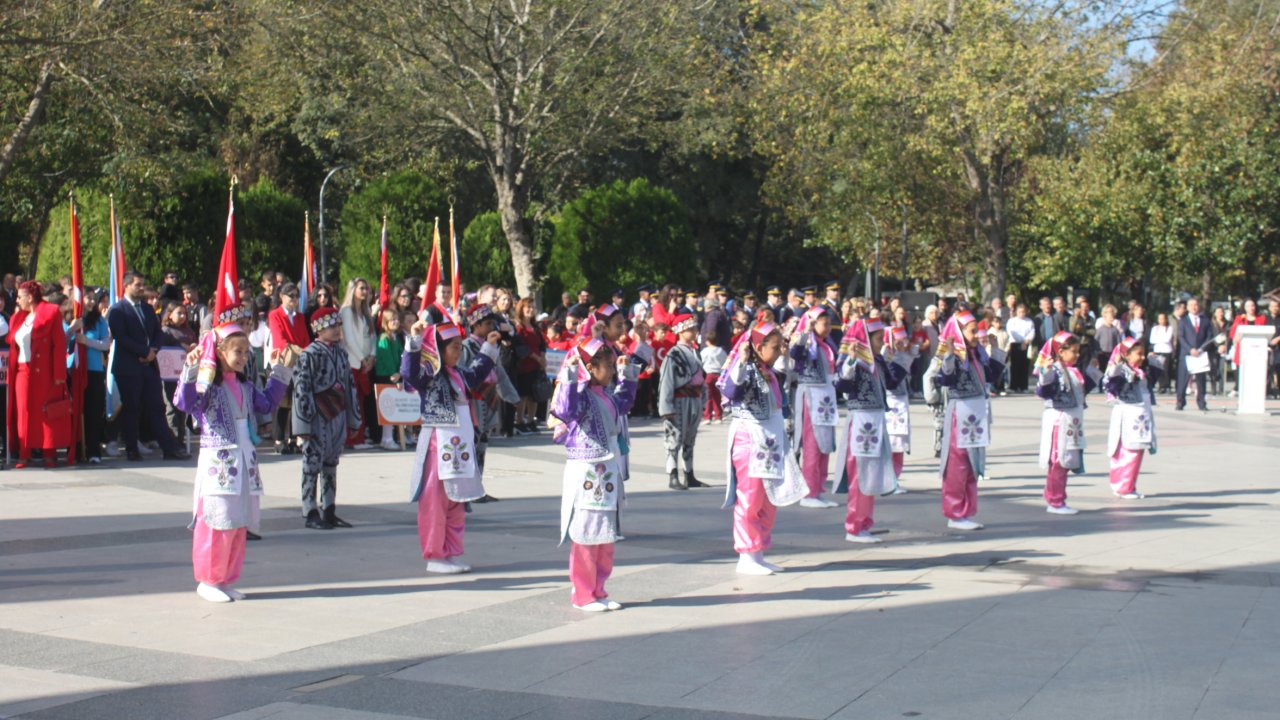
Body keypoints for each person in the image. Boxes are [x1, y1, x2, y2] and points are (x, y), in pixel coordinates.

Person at [175, 323, 290, 602]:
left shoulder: (246, 386)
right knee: (216, 523)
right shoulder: (207, 387)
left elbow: (266, 405)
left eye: (246, 352)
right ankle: (207, 580)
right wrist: (190, 371)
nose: (243, 357)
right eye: (237, 351)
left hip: (244, 461)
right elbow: (184, 402)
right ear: (220, 351)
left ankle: (226, 578)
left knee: (238, 524)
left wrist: (279, 372)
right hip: (219, 463)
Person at [402, 320, 500, 574]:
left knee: (457, 501)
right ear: (439, 349)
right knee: (434, 501)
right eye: (454, 347)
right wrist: (414, 341)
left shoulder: (459, 374)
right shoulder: (429, 375)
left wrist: (489, 347)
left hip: (460, 448)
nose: (458, 352)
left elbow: (478, 372)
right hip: (438, 445)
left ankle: (452, 552)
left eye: (459, 347)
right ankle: (435, 555)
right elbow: (409, 373)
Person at [551, 334, 637, 611]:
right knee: (586, 533)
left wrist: (628, 374)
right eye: (608, 366)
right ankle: (583, 594)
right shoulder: (581, 396)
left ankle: (599, 589)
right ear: (591, 367)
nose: (611, 370)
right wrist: (571, 374)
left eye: (612, 366)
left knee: (605, 533)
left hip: (607, 470)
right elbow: (565, 409)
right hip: (587, 471)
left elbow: (625, 402)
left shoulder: (606, 395)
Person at [718, 319, 805, 574]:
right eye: (775, 347)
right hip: (749, 441)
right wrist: (743, 361)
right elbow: (731, 389)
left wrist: (787, 354)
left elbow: (786, 379)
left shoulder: (768, 372)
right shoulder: (744, 369)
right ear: (758, 347)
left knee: (768, 500)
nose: (779, 350)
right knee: (750, 498)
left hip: (770, 442)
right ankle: (746, 556)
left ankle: (759, 552)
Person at [926, 309, 1005, 531]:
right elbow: (945, 379)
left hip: (976, 413)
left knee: (972, 464)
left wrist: (995, 349)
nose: (977, 335)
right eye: (972, 331)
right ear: (959, 333)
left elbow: (992, 376)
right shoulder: (951, 357)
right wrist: (950, 354)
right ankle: (954, 512)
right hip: (959, 413)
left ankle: (967, 511)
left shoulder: (976, 354)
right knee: (957, 465)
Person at [835, 319, 906, 543]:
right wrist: (851, 360)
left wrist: (899, 356)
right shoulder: (854, 362)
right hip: (861, 421)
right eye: (877, 339)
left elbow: (894, 381)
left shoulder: (877, 361)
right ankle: (854, 526)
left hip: (876, 420)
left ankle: (864, 522)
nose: (880, 342)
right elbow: (842, 385)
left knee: (871, 474)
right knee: (859, 476)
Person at [107, 273, 188, 463]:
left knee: (156, 406)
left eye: (143, 284)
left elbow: (157, 333)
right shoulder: (118, 310)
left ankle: (169, 448)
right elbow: (121, 337)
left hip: (149, 365)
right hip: (128, 368)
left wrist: (153, 351)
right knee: (132, 408)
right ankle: (132, 448)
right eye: (137, 285)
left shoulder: (147, 308)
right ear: (126, 286)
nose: (141, 288)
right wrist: (143, 352)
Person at [292, 307, 362, 530]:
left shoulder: (341, 354)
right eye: (331, 327)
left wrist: (353, 419)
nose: (336, 330)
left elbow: (350, 386)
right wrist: (303, 423)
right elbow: (301, 388)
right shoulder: (309, 355)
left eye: (338, 326)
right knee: (312, 463)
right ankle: (310, 510)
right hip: (316, 417)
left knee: (331, 462)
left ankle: (329, 509)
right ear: (318, 330)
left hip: (337, 415)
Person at [7, 281, 72, 468]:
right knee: (23, 412)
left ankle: (49, 454)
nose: (17, 300)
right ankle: (24, 454)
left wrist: (59, 375)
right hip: (21, 371)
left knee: (45, 411)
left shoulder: (50, 314)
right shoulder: (19, 318)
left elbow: (59, 345)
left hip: (44, 371)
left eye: (20, 297)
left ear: (29, 297)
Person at [1035, 332, 1093, 516]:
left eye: (1078, 351)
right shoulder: (1055, 370)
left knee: (1065, 462)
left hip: (1071, 421)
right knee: (1059, 461)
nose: (1077, 355)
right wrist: (1045, 373)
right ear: (1061, 351)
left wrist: (1094, 371)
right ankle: (1055, 500)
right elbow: (1044, 390)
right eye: (1073, 351)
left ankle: (1057, 497)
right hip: (1060, 421)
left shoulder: (1073, 371)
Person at [790, 306, 840, 507]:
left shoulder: (827, 345)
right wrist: (805, 331)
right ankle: (808, 493)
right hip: (811, 395)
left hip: (826, 396)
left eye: (829, 324)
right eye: (824, 323)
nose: (827, 328)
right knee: (812, 444)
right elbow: (795, 353)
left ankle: (818, 489)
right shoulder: (806, 342)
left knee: (825, 444)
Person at [1104, 338, 1157, 499]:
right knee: (1127, 451)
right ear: (1126, 355)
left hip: (1140, 416)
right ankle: (1122, 486)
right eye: (1138, 354)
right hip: (1128, 416)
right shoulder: (1120, 370)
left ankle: (1129, 485)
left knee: (1137, 451)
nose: (1142, 357)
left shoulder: (1139, 371)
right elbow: (1110, 381)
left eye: (1143, 354)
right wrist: (1116, 366)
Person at [658, 313, 706, 490]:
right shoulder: (673, 354)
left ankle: (689, 474)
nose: (694, 331)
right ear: (681, 331)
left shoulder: (695, 351)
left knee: (690, 438)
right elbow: (667, 381)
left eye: (694, 328)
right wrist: (666, 407)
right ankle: (672, 475)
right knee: (674, 439)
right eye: (690, 329)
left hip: (694, 399)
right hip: (679, 401)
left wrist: (703, 399)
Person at [269, 283, 310, 454]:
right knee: (283, 402)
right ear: (282, 297)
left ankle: (293, 438)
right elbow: (280, 340)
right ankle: (279, 439)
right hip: (283, 362)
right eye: (290, 295)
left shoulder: (299, 317)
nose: (294, 299)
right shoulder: (275, 315)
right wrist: (301, 352)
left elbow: (306, 338)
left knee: (296, 402)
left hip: (299, 362)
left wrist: (306, 353)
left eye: (296, 296)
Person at [340, 278, 378, 448]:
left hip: (364, 363)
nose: (365, 291)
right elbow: (348, 339)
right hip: (352, 362)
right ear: (353, 289)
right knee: (352, 401)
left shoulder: (365, 311)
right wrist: (362, 358)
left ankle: (359, 437)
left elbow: (372, 336)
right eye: (362, 288)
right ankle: (352, 439)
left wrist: (372, 356)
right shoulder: (346, 311)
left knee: (360, 401)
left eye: (367, 289)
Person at [160, 302, 198, 445]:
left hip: (186, 373)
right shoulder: (165, 331)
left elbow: (194, 343)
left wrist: (194, 346)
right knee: (172, 406)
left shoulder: (188, 331)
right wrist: (180, 346)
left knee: (183, 405)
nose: (182, 316)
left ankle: (180, 438)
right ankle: (173, 439)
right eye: (179, 313)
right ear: (170, 314)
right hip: (170, 374)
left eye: (184, 313)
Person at [512, 297, 547, 434]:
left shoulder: (535, 327)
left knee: (534, 396)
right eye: (528, 307)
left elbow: (542, 344)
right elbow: (522, 347)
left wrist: (542, 358)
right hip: (524, 366)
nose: (531, 310)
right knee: (523, 395)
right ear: (522, 308)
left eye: (533, 307)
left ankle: (531, 420)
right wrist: (537, 358)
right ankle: (520, 421)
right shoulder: (518, 327)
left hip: (536, 366)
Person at [374, 308, 405, 450]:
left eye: (397, 319)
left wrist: (400, 371)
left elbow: (400, 355)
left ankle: (389, 437)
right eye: (392, 319)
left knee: (392, 407)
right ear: (385, 322)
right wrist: (394, 372)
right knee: (387, 407)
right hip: (385, 375)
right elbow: (386, 358)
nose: (396, 322)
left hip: (395, 375)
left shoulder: (395, 338)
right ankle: (386, 438)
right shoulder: (383, 338)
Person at [1176, 297, 1211, 411]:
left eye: (1196, 304)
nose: (1194, 307)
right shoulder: (1183, 321)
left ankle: (1201, 402)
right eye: (1191, 305)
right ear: (1187, 307)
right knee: (1183, 380)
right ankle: (1180, 402)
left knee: (1201, 381)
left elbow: (1209, 336)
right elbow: (1180, 337)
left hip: (1200, 354)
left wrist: (1201, 349)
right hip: (1187, 354)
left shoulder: (1205, 320)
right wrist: (1190, 349)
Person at [1228, 299, 1267, 395]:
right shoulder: (1239, 319)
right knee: (1241, 378)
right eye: (1248, 306)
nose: (1251, 308)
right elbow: (1233, 334)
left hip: (1256, 352)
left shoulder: (1261, 318)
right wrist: (1239, 322)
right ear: (1244, 308)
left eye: (1252, 305)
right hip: (1242, 352)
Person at [700, 329, 727, 424]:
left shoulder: (705, 351)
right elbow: (725, 362)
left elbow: (701, 361)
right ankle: (719, 416)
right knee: (717, 396)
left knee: (708, 396)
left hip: (708, 374)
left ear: (707, 341)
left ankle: (707, 416)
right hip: (718, 374)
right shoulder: (721, 351)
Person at [1006, 303, 1035, 392]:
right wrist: (1022, 341)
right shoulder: (1012, 321)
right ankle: (1013, 386)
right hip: (1015, 344)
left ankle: (1023, 387)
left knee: (1024, 366)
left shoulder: (1029, 321)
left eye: (1023, 312)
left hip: (1026, 345)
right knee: (1014, 366)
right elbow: (1012, 332)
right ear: (1016, 312)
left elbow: (1032, 332)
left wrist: (1026, 341)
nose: (1022, 313)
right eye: (1020, 312)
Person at [1149, 313, 1175, 394]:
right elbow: (1152, 340)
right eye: (1159, 319)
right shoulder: (1155, 328)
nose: (1161, 320)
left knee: (1166, 369)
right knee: (1158, 369)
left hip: (1166, 350)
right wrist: (1161, 339)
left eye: (1163, 318)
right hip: (1157, 350)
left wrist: (1158, 339)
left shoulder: (1169, 328)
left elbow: (1167, 339)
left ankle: (1167, 385)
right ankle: (1161, 385)